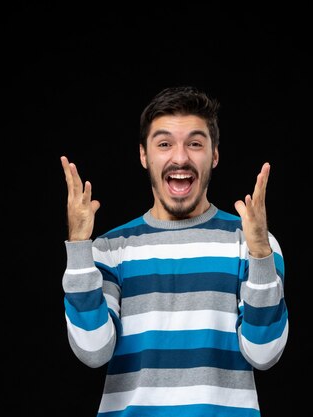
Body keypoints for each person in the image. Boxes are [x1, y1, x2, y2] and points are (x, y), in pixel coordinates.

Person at [59, 86, 288, 417]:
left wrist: (261, 258)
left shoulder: (250, 244)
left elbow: (264, 353)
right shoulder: (109, 249)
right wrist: (80, 249)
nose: (180, 158)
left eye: (195, 143)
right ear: (144, 155)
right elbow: (92, 350)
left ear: (214, 155)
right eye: (164, 144)